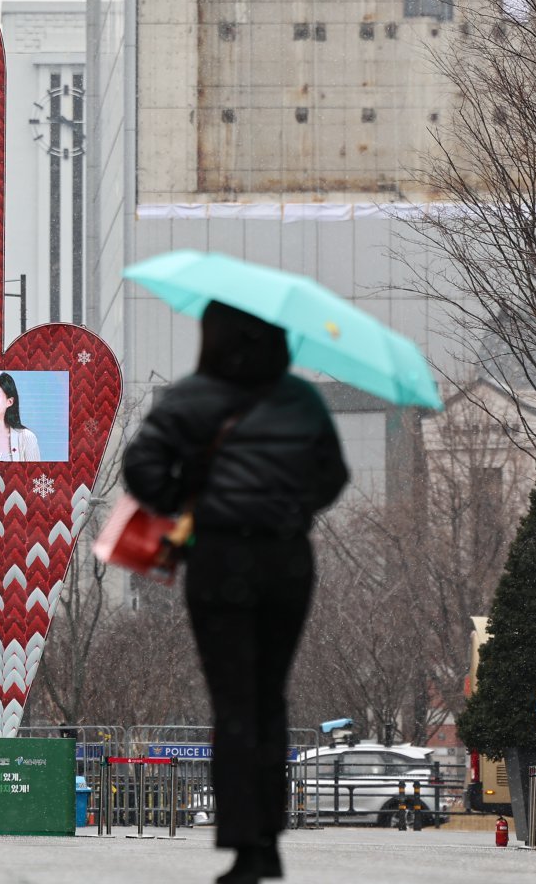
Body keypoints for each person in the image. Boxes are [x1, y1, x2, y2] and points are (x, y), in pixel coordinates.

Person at [123, 301, 348, 884]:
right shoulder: (299, 399)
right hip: (286, 558)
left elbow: (141, 466)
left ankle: (244, 845)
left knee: (233, 702)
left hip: (219, 558)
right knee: (270, 698)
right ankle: (269, 842)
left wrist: (185, 493)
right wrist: (291, 507)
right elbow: (333, 475)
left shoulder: (193, 396)